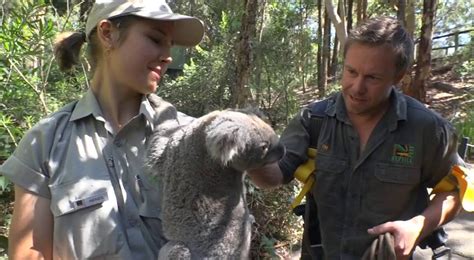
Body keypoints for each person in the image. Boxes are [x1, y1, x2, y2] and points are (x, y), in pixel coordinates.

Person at [0, 0, 205, 259]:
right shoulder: (44, 143)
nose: (167, 56)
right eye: (155, 39)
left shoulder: (188, 137)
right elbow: (30, 250)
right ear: (108, 34)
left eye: (170, 45)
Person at [248, 16, 463, 259]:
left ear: (398, 76)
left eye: (372, 78)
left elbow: (455, 191)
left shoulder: (427, 129)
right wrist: (249, 152)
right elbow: (275, 175)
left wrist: (418, 226)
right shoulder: (313, 120)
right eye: (351, 71)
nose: (357, 87)